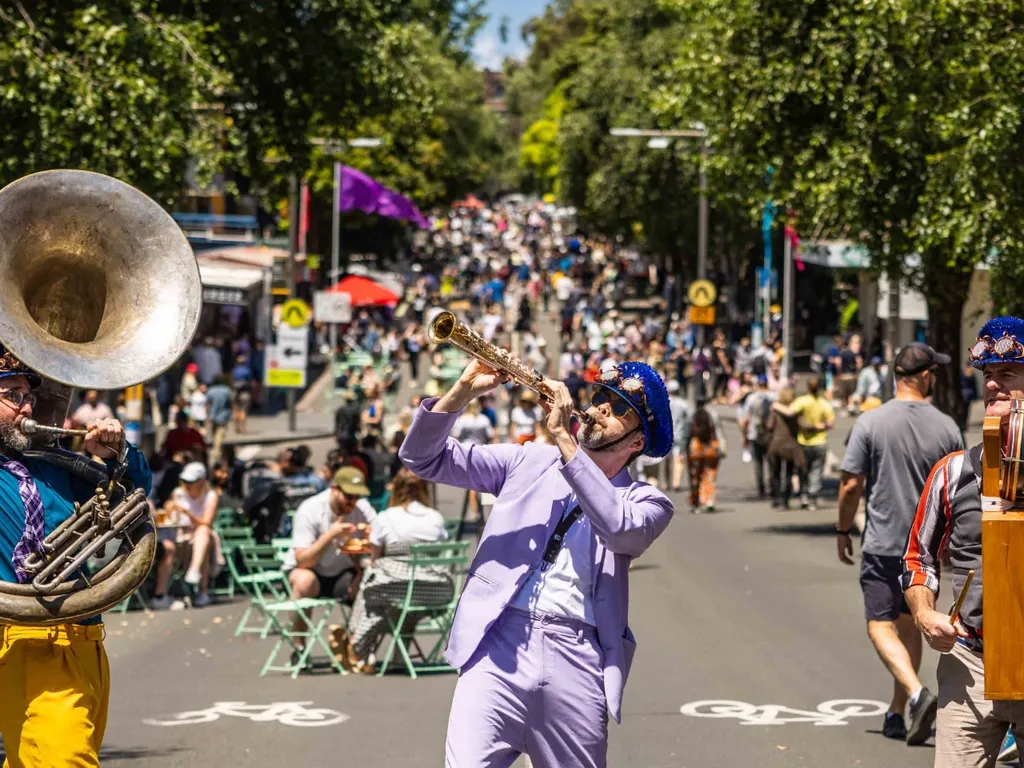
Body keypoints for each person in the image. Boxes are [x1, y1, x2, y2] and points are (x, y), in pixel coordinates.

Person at [400, 358, 674, 767]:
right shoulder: (527, 461)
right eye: (601, 397)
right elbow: (422, 459)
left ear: (637, 442)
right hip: (498, 643)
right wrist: (460, 394)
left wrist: (565, 438)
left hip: (577, 656)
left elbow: (619, 530)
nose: (600, 408)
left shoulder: (646, 502)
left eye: (618, 410)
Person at [0, 346, 151, 766]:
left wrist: (117, 452)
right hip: (28, 644)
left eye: (28, 395)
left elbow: (134, 495)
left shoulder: (56, 465)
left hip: (86, 640)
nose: (27, 405)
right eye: (12, 394)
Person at [903, 317, 1024, 766]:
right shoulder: (951, 472)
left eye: (1008, 374)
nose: (993, 385)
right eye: (988, 374)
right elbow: (918, 556)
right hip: (970, 660)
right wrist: (923, 612)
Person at [837, 341, 963, 745]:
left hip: (883, 541)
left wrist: (842, 530)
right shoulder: (947, 427)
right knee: (911, 622)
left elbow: (851, 483)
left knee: (879, 624)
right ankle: (899, 709)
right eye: (935, 373)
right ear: (924, 376)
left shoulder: (870, 423)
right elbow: (959, 490)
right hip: (927, 550)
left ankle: (915, 694)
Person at [334, 469, 452, 673]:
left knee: (372, 587)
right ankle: (398, 653)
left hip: (399, 586)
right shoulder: (435, 518)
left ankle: (358, 644)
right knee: (405, 601)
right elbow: (440, 550)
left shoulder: (386, 518)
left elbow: (375, 556)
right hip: (437, 590)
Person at [284, 467, 377, 653]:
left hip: (343, 571)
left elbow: (381, 537)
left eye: (357, 497)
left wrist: (372, 537)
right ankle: (299, 647)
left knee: (369, 583)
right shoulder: (310, 509)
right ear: (335, 489)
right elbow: (302, 560)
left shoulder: (362, 508)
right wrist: (330, 536)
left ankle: (357, 648)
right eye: (349, 497)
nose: (353, 503)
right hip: (313, 571)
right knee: (303, 581)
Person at [158, 462, 223, 608]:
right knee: (202, 545)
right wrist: (169, 509)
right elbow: (172, 518)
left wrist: (187, 513)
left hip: (203, 534)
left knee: (203, 533)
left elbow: (206, 522)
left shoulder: (210, 496)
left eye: (191, 481)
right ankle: (202, 590)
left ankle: (195, 572)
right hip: (182, 535)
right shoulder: (178, 493)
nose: (187, 484)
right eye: (185, 481)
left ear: (201, 481)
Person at [791, 377, 835, 510]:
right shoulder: (824, 403)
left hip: (803, 441)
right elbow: (830, 423)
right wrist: (819, 426)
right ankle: (812, 497)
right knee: (816, 471)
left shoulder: (802, 401)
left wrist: (803, 423)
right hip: (819, 442)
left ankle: (804, 495)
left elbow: (791, 413)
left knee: (803, 469)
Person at [765, 387, 805, 509]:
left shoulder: (776, 411)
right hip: (791, 445)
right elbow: (802, 424)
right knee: (788, 473)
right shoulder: (797, 412)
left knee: (775, 472)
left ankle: (776, 498)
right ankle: (785, 500)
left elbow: (769, 425)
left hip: (776, 444)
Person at [738, 375, 774, 499]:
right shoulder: (773, 397)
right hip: (770, 435)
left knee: (758, 464)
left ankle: (761, 489)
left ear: (758, 384)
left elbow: (745, 419)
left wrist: (744, 437)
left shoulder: (751, 398)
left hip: (755, 435)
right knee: (771, 463)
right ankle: (773, 487)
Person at [688, 399, 725, 513]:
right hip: (710, 446)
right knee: (710, 474)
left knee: (695, 476)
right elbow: (718, 431)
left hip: (696, 447)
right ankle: (709, 500)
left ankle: (696, 501)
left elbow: (688, 432)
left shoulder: (692, 415)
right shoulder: (713, 414)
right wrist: (721, 446)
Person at [666, 379, 691, 492]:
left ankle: (667, 482)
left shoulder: (664, 403)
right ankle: (676, 482)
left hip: (666, 435)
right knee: (678, 459)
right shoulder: (683, 404)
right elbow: (689, 419)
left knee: (666, 459)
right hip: (679, 434)